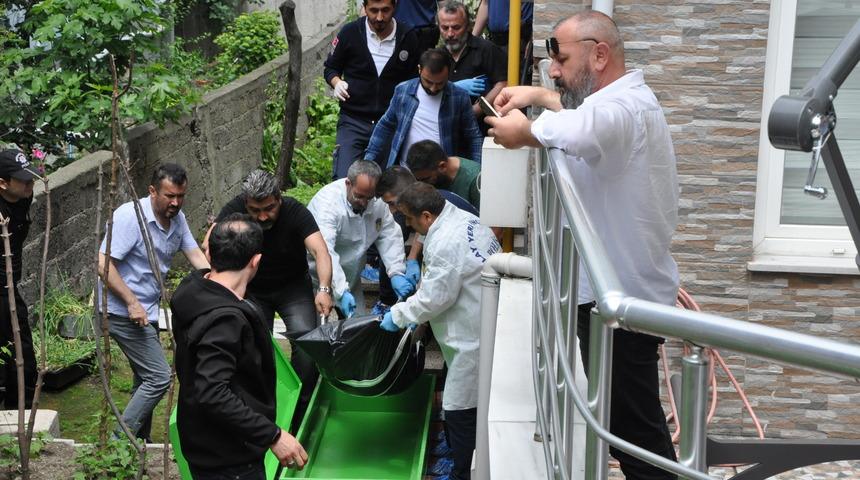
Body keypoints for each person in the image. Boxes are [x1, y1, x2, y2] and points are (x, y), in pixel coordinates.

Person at [486, 11, 679, 480]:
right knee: (625, 425)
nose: (553, 69)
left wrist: (525, 132)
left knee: (636, 435)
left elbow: (580, 128)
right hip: (615, 295)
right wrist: (537, 97)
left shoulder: (622, 110)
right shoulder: (620, 100)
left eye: (562, 59)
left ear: (599, 54)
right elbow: (579, 114)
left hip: (624, 304)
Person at [172, 214, 307, 479]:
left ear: (210, 251)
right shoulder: (226, 319)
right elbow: (211, 391)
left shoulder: (194, 290)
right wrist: (274, 436)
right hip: (229, 458)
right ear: (256, 261)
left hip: (206, 446)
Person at [380, 183, 499, 480]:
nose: (408, 225)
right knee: (465, 398)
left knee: (460, 406)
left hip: (471, 337)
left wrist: (398, 314)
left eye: (409, 219)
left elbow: (436, 297)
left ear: (427, 216)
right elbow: (440, 282)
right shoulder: (462, 218)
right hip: (476, 321)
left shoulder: (446, 241)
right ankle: (460, 457)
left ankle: (462, 471)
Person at [96, 164, 209, 441]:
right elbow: (102, 263)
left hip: (146, 310)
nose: (176, 202)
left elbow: (195, 255)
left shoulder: (177, 218)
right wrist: (132, 302)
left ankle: (139, 444)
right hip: (119, 310)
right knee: (159, 377)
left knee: (144, 379)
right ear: (152, 191)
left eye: (181, 196)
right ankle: (119, 442)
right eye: (170, 196)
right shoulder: (129, 217)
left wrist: (220, 285)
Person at [212, 170, 333, 425]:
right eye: (255, 210)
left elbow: (320, 251)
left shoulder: (295, 211)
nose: (263, 216)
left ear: (279, 198)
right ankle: (262, 406)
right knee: (254, 347)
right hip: (253, 289)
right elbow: (209, 246)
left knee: (306, 341)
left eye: (269, 208)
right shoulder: (234, 210)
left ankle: (302, 407)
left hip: (293, 287)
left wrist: (323, 289)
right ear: (246, 204)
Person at [324, 0, 421, 178]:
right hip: (353, 120)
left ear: (395, 6)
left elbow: (414, 81)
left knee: (385, 183)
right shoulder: (350, 33)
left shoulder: (408, 36)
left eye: (385, 10)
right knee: (344, 178)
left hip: (390, 123)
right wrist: (336, 82)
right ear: (365, 7)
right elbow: (331, 68)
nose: (379, 17)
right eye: (373, 11)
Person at [306, 161, 415, 317]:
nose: (364, 202)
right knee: (313, 332)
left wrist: (396, 272)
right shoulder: (327, 205)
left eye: (369, 197)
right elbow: (325, 251)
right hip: (316, 279)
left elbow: (389, 235)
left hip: (352, 277)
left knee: (358, 330)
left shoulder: (378, 201)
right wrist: (340, 290)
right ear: (348, 183)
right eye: (359, 196)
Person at [372, 166, 478, 310]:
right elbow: (423, 230)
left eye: (392, 203)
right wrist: (412, 258)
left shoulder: (444, 242)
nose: (392, 210)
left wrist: (411, 313)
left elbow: (435, 297)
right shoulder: (433, 202)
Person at [364, 48, 483, 169]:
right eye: (428, 82)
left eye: (440, 83)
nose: (433, 88)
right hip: (405, 173)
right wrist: (368, 160)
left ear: (448, 74)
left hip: (442, 175)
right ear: (419, 69)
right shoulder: (403, 91)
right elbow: (385, 125)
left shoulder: (459, 97)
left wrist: (477, 170)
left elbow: (473, 136)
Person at [0, 149, 39, 410]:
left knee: (22, 354)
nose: (30, 184)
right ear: (3, 183)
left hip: (9, 286)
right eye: (23, 180)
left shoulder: (23, 196)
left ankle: (19, 414)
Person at [438, 1, 507, 124]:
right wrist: (453, 87)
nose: (450, 34)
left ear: (468, 26)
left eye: (456, 27)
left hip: (482, 127)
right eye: (444, 28)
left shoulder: (486, 50)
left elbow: (502, 83)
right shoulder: (437, 57)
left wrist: (476, 110)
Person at [406, 139, 481, 211]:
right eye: (417, 179)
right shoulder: (430, 173)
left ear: (442, 166)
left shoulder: (474, 178)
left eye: (425, 179)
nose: (422, 184)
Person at [472, 0, 533, 85]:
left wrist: (532, 39)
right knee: (497, 84)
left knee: (516, 88)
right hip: (495, 42)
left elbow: (539, 7)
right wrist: (472, 39)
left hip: (519, 42)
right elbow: (485, 4)